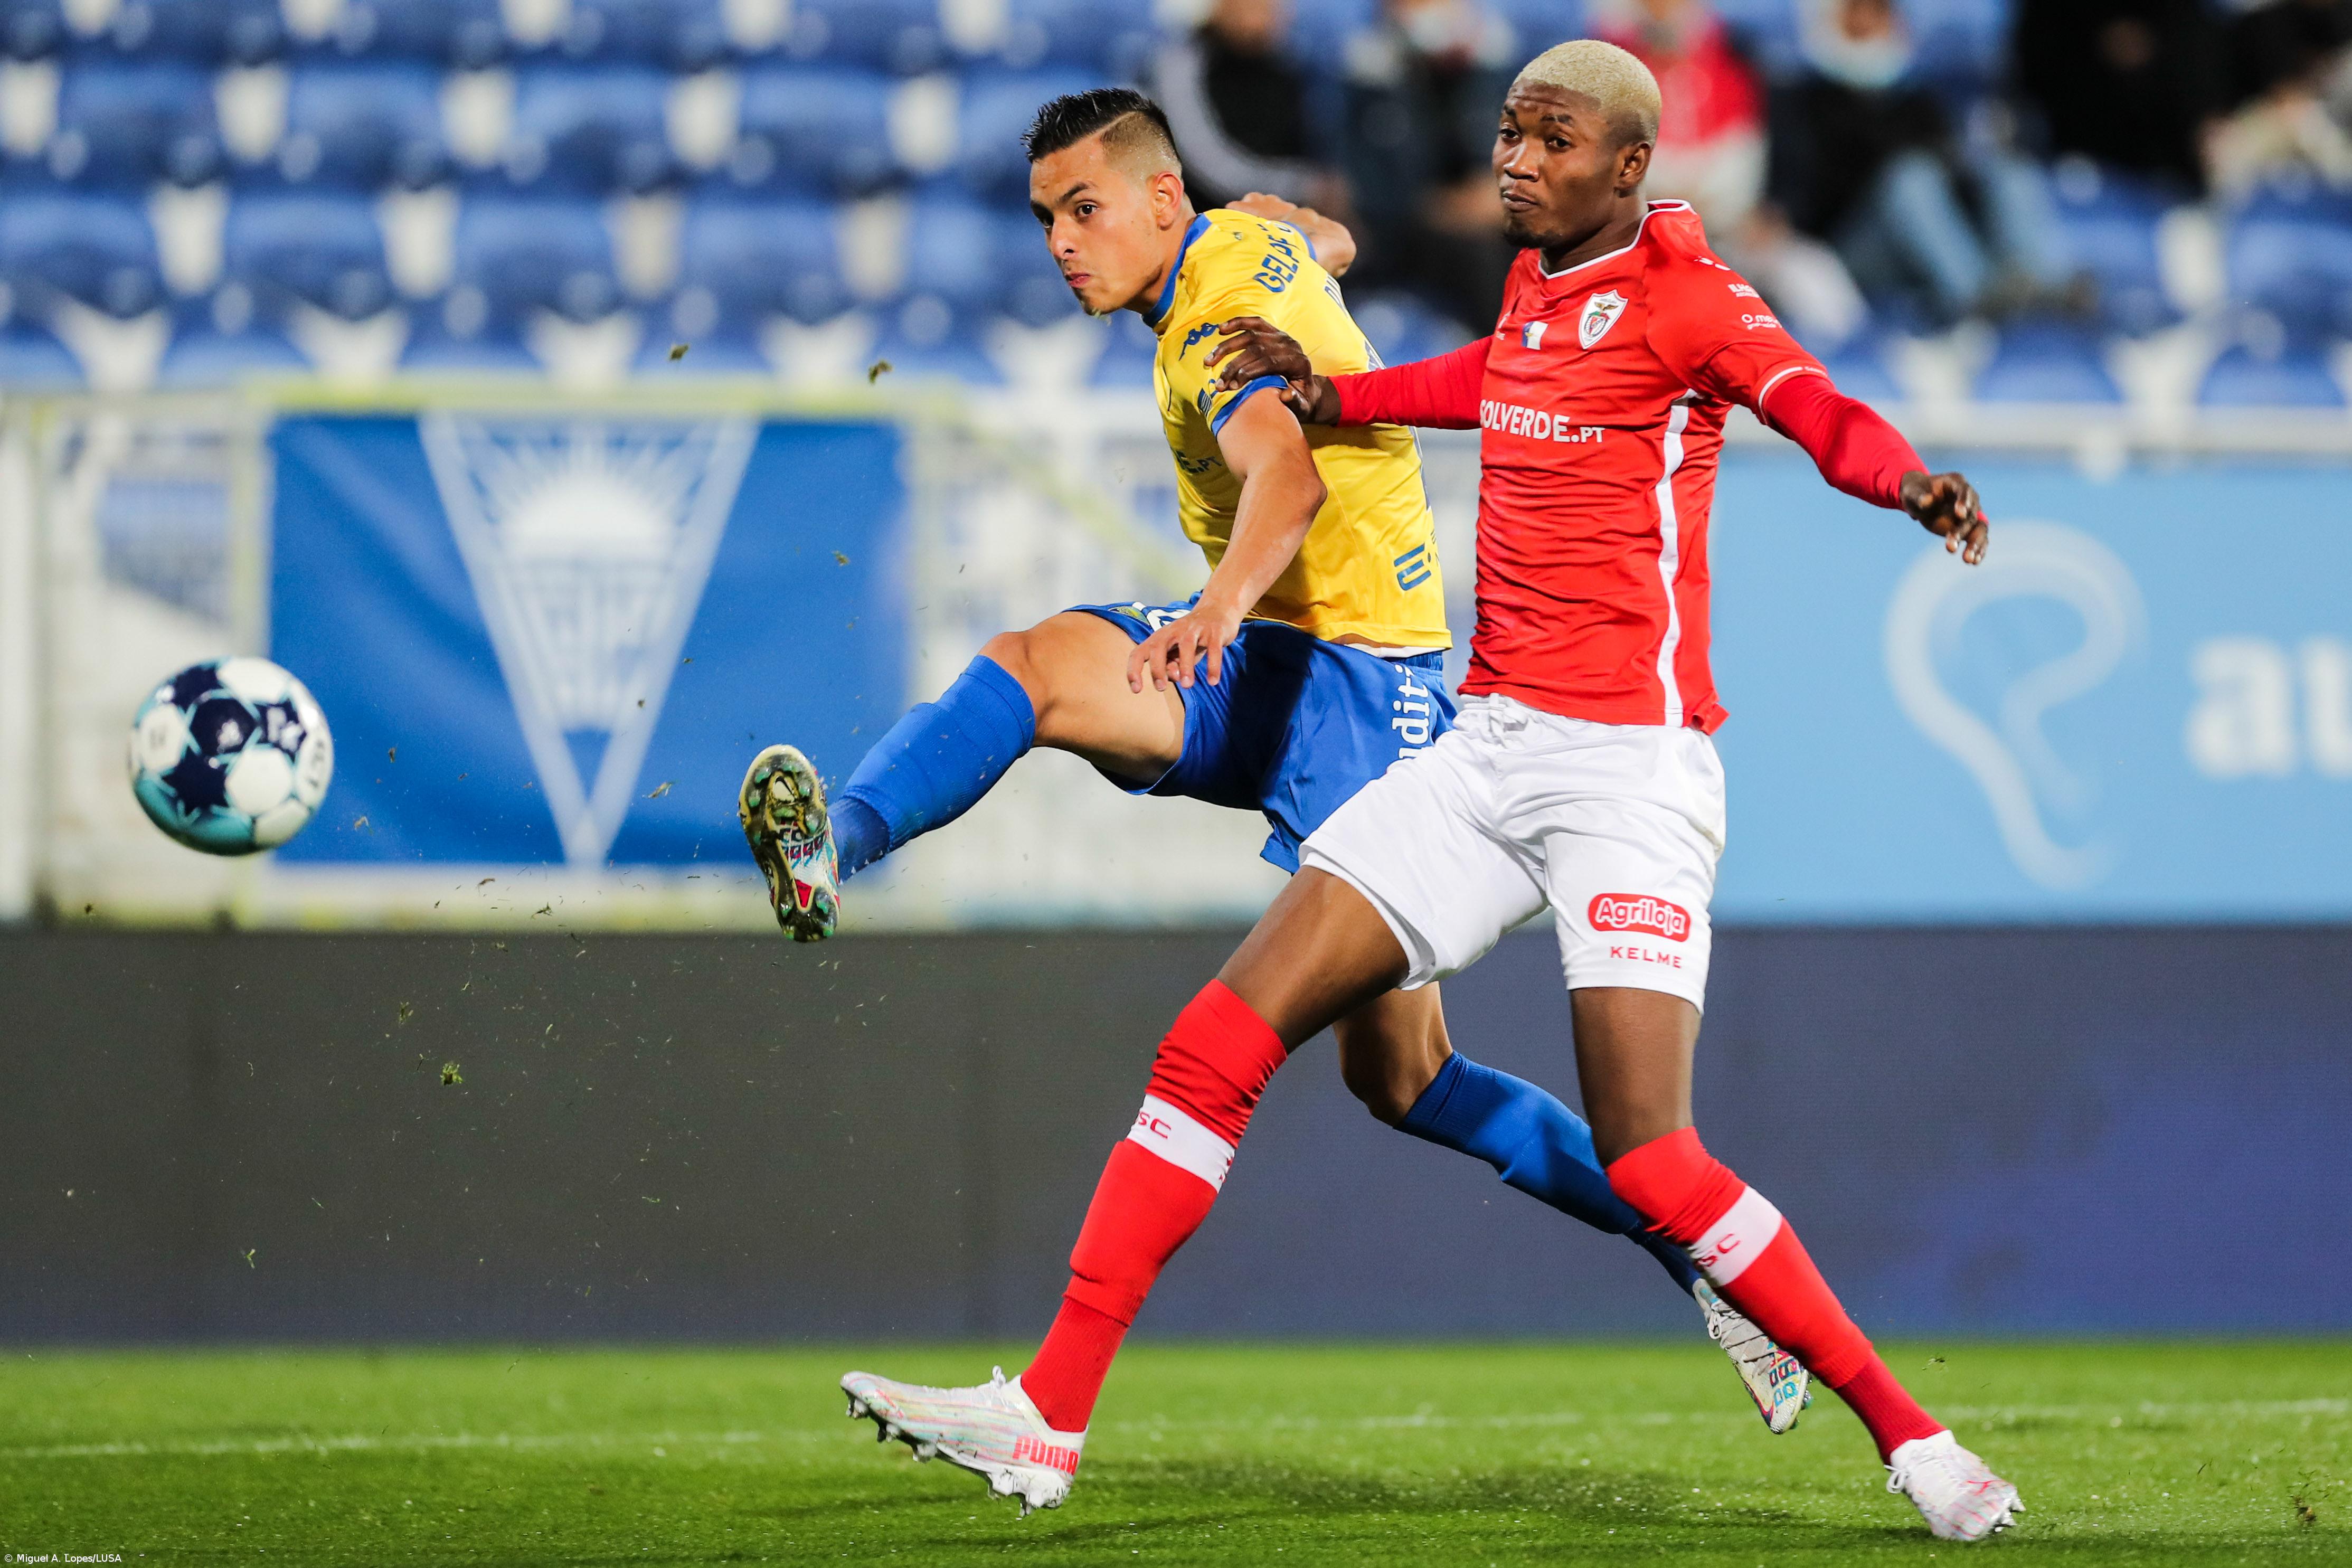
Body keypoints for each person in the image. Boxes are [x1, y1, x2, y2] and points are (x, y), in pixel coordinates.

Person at [840, 44, 2023, 1543]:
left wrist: (1906, 479)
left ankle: (1908, 1436)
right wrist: (1331, 383)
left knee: (1654, 1156)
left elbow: (1812, 406)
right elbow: (1481, 386)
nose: (1516, 158)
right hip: (1477, 749)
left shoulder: (1691, 298)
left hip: (1626, 774)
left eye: (1552, 138)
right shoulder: (1528, 297)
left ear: (1626, 168)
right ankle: (1048, 1418)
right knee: (1217, 1038)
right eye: (1509, 132)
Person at [1773, 0, 2076, 325]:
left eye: (1876, 17)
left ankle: (2031, 281)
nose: (1866, 28)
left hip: (1921, 243)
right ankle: (1976, 298)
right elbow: (1802, 194)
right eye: (1854, 19)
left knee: (2009, 171)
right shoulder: (1801, 102)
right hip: (1851, 250)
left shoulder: (1918, 102)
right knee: (1909, 179)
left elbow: (1950, 170)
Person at [1589, 0, 1867, 348]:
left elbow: (1764, 149)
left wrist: (1772, 212)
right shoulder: (1609, 68)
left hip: (1739, 226)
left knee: (1818, 284)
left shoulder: (1738, 60)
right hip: (1645, 235)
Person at [1339, 0, 1522, 327]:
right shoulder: (1368, 80)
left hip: (1478, 218)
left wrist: (1496, 195)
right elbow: (1371, 189)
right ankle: (1496, 360)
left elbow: (1497, 156)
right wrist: (1449, 208)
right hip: (1398, 236)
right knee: (1479, 255)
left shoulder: (1481, 73)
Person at [1150, 0, 1343, 214]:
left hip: (1283, 219)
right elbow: (1208, 163)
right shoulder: (1182, 66)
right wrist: (1302, 186)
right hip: (1206, 221)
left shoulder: (1291, 69)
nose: (1262, 12)